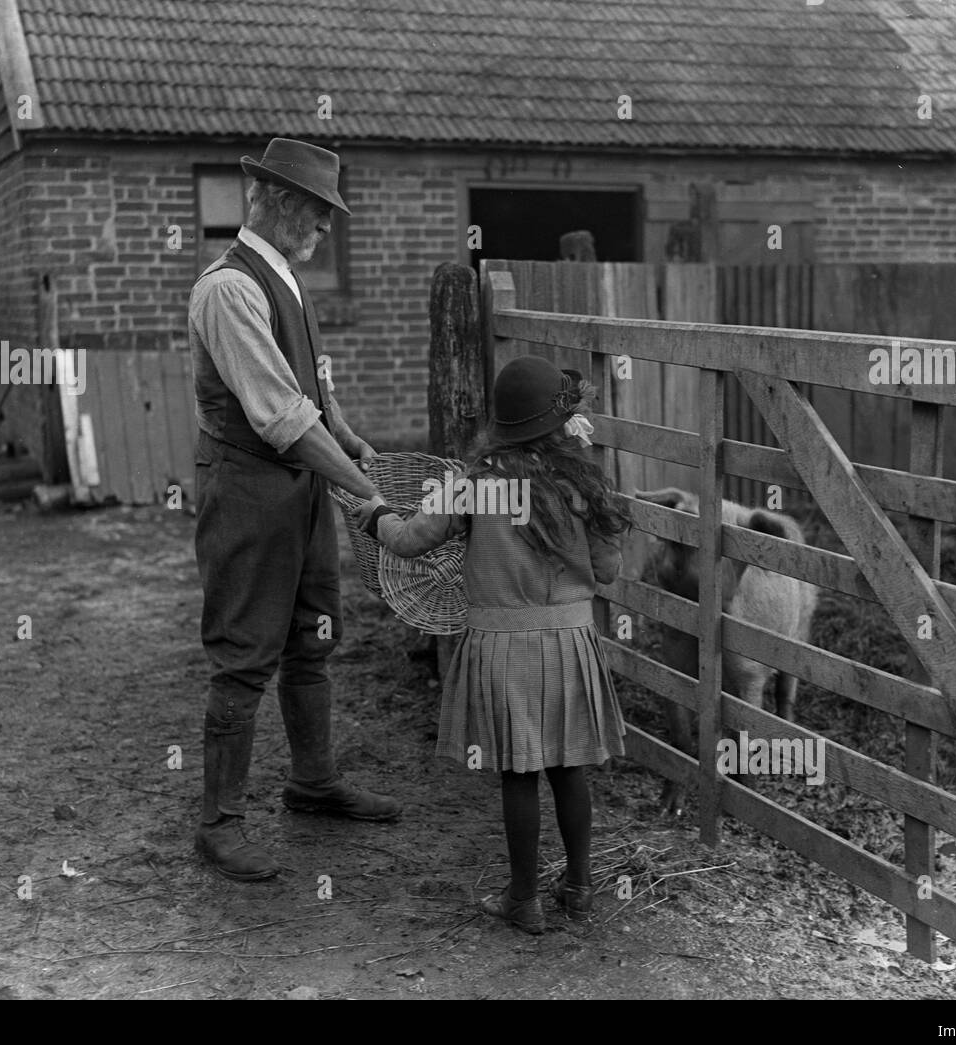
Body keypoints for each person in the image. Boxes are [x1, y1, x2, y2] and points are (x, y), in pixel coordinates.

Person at [355, 355, 630, 931]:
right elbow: (608, 570)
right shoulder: (580, 484)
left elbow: (407, 541)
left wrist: (373, 514)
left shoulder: (475, 487)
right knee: (570, 767)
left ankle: (523, 900)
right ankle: (579, 890)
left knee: (519, 774)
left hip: (504, 647)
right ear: (559, 426)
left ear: (503, 427)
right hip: (571, 640)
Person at [189, 138, 400, 883]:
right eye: (316, 211)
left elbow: (312, 387)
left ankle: (313, 781)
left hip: (298, 486)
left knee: (313, 636)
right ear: (276, 200)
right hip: (247, 488)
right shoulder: (229, 290)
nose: (323, 227)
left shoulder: (285, 277)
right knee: (244, 653)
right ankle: (220, 824)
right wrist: (366, 497)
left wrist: (345, 433)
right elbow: (279, 414)